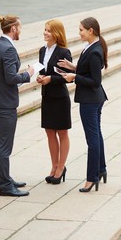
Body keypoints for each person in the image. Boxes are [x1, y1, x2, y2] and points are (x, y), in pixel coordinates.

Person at [0, 15, 35, 197]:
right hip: (6, 103)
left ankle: (3, 179)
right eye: (19, 27)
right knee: (4, 146)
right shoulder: (8, 49)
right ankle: (5, 186)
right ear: (13, 28)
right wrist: (28, 73)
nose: (20, 30)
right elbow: (11, 78)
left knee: (0, 143)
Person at [58, 17, 108, 193]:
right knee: (97, 135)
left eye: (81, 30)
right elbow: (88, 70)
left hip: (90, 100)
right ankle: (101, 169)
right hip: (94, 98)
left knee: (92, 139)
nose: (79, 33)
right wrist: (73, 67)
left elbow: (95, 81)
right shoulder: (92, 46)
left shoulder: (94, 51)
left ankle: (91, 178)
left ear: (91, 31)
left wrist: (74, 78)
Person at [36, 19, 72, 185]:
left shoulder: (64, 52)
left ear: (56, 33)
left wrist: (51, 78)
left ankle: (61, 167)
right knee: (49, 132)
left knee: (62, 133)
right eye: (45, 29)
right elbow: (42, 70)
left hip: (60, 98)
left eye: (49, 30)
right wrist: (40, 77)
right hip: (47, 97)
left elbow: (66, 78)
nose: (45, 33)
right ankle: (54, 166)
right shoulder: (42, 51)